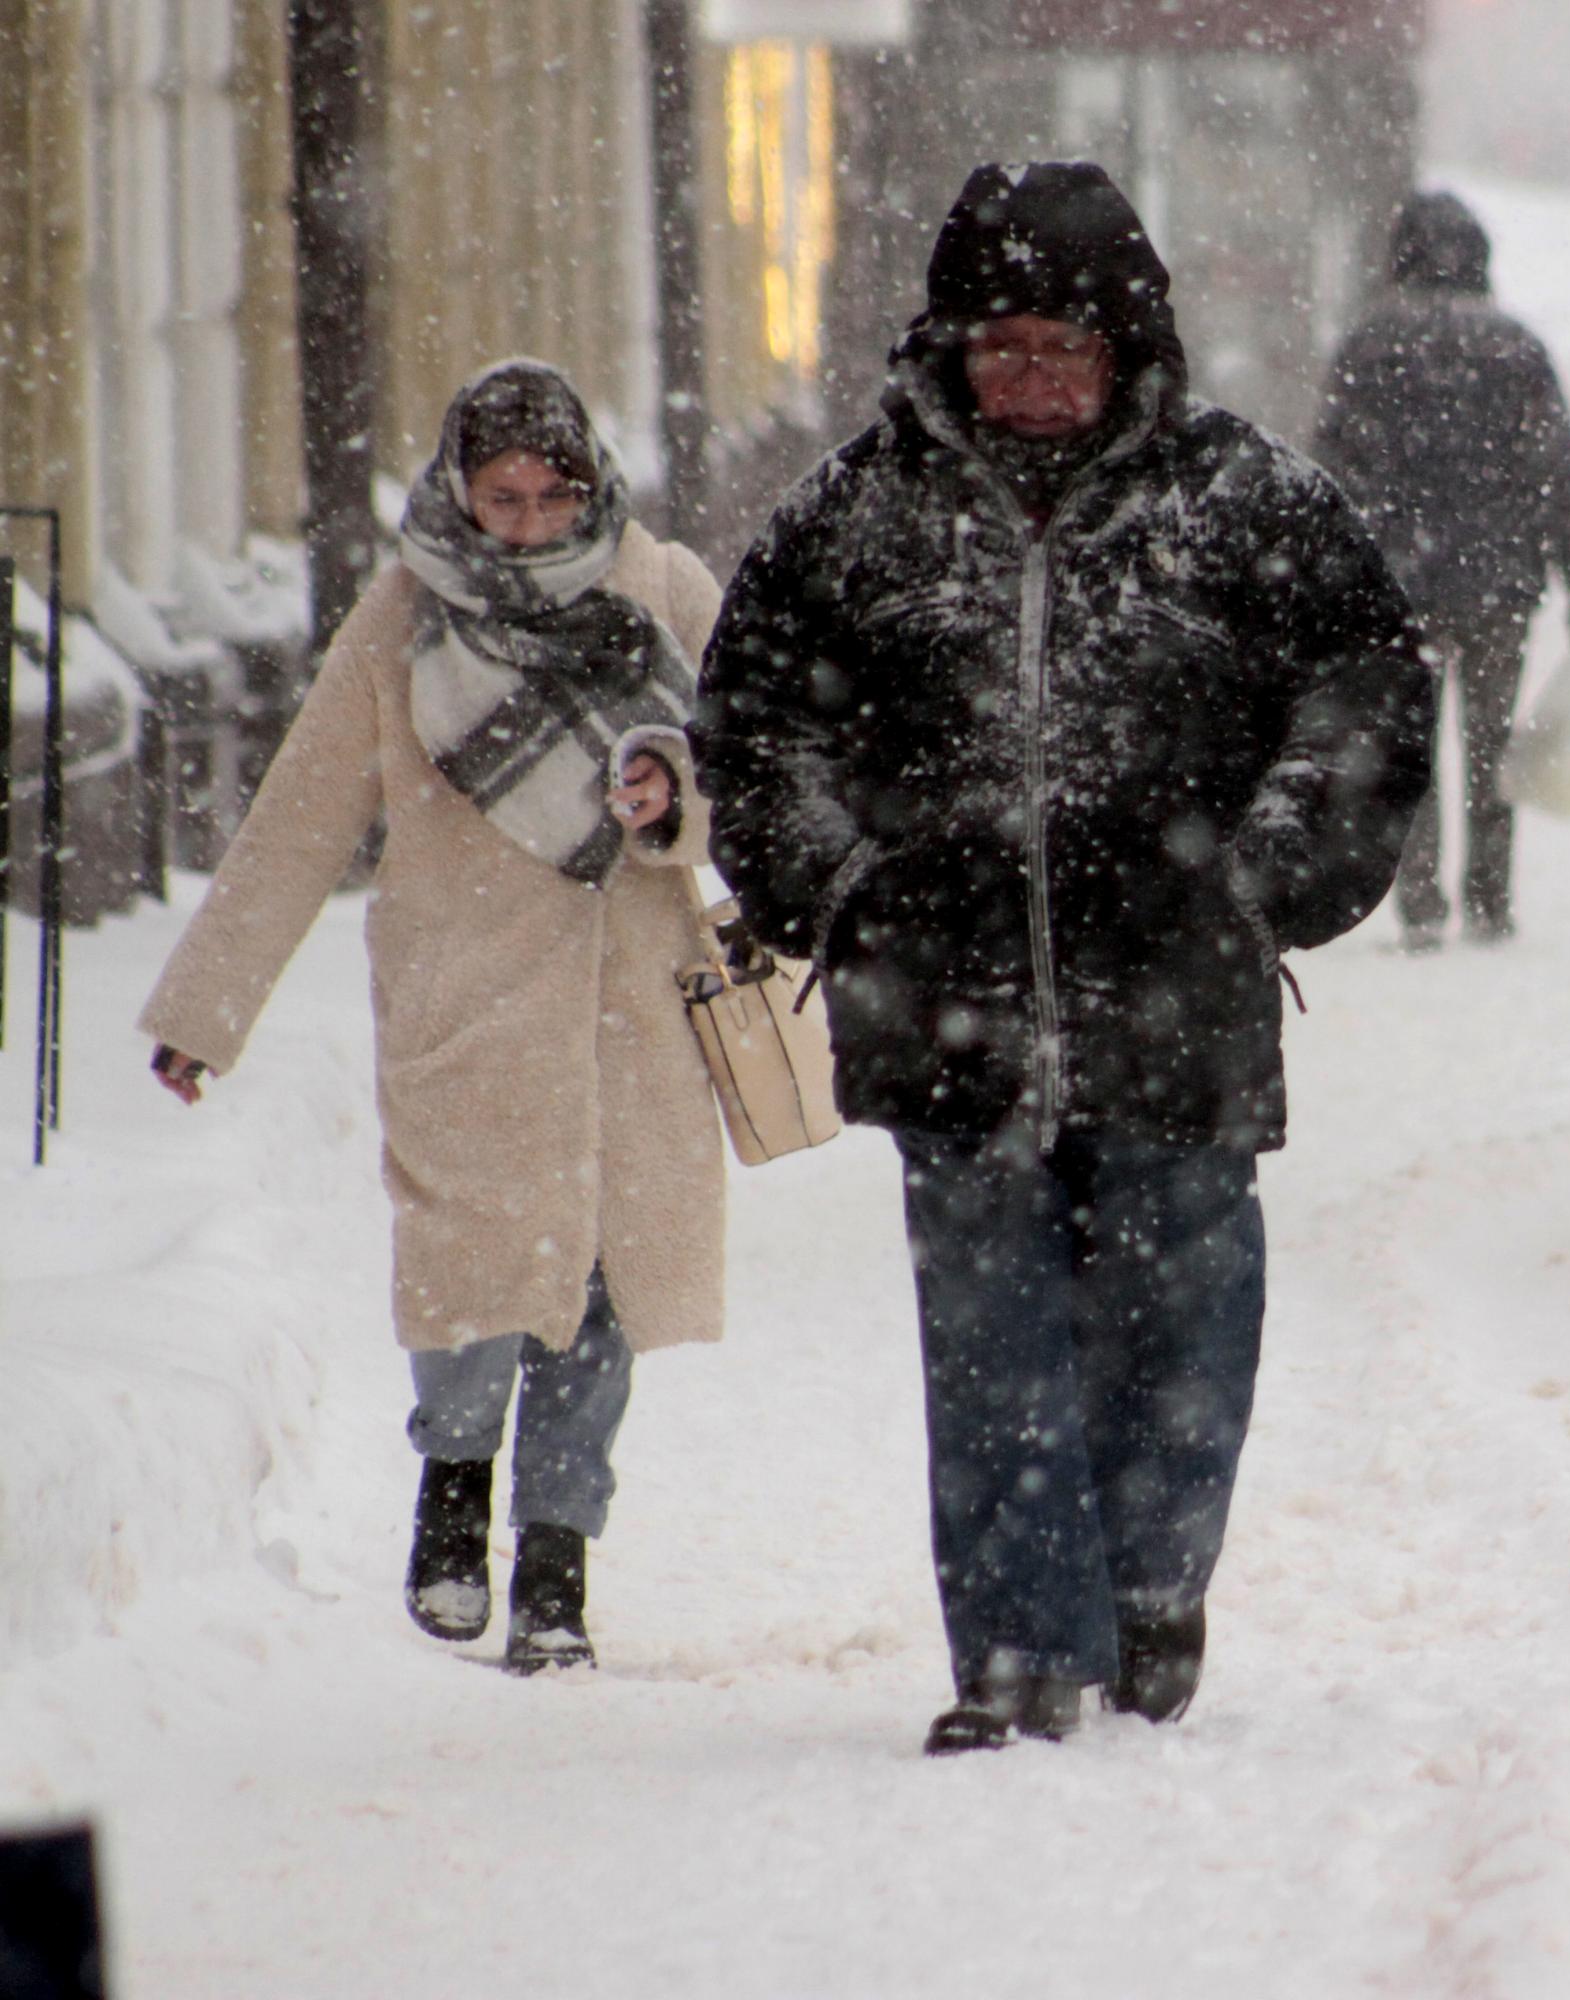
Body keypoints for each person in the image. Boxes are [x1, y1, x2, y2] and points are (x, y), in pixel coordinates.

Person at [693, 162, 1433, 1754]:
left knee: (1179, 1313)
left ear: (1130, 351)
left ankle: (1154, 1587)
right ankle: (1022, 1645)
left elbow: (1365, 690)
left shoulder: (1244, 505)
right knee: (993, 1339)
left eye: (1060, 348)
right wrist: (841, 892)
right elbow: (753, 726)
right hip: (941, 1007)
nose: (1026, 379)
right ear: (948, 348)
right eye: (998, 345)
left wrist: (1268, 872)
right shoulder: (857, 516)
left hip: (1176, 1004)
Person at [139, 360, 728, 1674]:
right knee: (469, 1266)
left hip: (629, 1003)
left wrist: (668, 793)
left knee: (599, 1295)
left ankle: (559, 1567)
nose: (522, 520)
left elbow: (746, 766)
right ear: (459, 490)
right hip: (466, 995)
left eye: (547, 494)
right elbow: (304, 809)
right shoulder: (403, 613)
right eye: (498, 495)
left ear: (588, 485)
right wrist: (207, 1010)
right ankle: (454, 1494)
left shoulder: (664, 589)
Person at [1314, 188, 1570, 950]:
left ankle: (1420, 905)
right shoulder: (1514, 347)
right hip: (1499, 581)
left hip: (1396, 588)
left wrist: (1322, 579)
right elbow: (1553, 473)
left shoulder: (1368, 345)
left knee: (1411, 751)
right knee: (1491, 742)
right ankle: (1490, 898)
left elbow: (1332, 475)